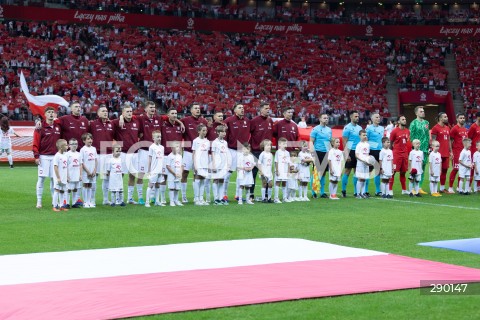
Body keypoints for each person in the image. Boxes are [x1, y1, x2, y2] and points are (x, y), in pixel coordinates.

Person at [112, 104, 142, 204]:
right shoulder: (117, 122)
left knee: (133, 175)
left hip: (134, 153)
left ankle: (130, 198)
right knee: (120, 175)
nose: (129, 113)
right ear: (123, 113)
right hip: (123, 153)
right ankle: (118, 198)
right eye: (127, 111)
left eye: (130, 111)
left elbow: (140, 134)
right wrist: (120, 118)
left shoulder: (136, 122)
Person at [33, 107, 61, 209]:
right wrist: (36, 156)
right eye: (49, 112)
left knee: (54, 179)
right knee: (41, 179)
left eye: (52, 112)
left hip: (55, 156)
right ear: (45, 114)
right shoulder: (40, 127)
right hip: (43, 156)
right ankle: (39, 201)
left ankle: (55, 201)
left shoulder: (58, 126)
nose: (51, 114)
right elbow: (35, 142)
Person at [180, 103, 208, 203]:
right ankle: (183, 196)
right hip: (188, 151)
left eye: (198, 108)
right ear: (191, 110)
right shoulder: (186, 120)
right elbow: (174, 119)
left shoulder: (203, 121)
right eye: (195, 108)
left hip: (200, 153)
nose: (198, 110)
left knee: (198, 175)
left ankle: (197, 197)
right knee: (185, 173)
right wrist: (180, 123)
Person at [223, 104, 251, 201]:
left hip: (242, 151)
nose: (242, 109)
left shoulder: (247, 121)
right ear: (235, 110)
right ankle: (224, 195)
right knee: (228, 173)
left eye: (243, 108)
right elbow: (224, 135)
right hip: (231, 150)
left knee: (241, 173)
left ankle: (238, 195)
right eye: (240, 108)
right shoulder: (229, 120)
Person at [89, 104, 114, 205]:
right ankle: (92, 199)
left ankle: (105, 199)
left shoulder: (112, 124)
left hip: (108, 154)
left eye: (106, 111)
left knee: (106, 178)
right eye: (103, 111)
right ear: (98, 113)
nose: (105, 113)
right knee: (93, 177)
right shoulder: (92, 124)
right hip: (97, 154)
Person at [249, 103, 273, 200]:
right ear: (261, 110)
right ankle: (251, 194)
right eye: (266, 108)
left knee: (267, 172)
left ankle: (266, 195)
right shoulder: (254, 121)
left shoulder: (270, 120)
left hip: (267, 153)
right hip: (256, 151)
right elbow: (248, 134)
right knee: (253, 173)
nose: (268, 110)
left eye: (269, 108)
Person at [161, 107, 184, 204]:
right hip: (165, 155)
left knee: (177, 177)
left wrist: (181, 123)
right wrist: (180, 122)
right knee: (164, 177)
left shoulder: (179, 127)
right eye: (172, 113)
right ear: (168, 115)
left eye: (176, 113)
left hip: (177, 155)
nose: (175, 115)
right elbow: (161, 117)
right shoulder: (163, 125)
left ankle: (176, 199)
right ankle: (162, 198)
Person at [309, 113, 332, 198]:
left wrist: (330, 152)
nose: (326, 119)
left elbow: (329, 142)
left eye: (327, 118)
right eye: (324, 118)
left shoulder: (329, 130)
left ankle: (322, 192)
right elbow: (311, 141)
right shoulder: (315, 129)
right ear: (320, 119)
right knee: (316, 172)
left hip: (326, 152)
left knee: (323, 173)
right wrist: (312, 152)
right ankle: (313, 192)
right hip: (317, 152)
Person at [409, 106, 429, 194]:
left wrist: (428, 146)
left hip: (424, 149)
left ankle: (419, 187)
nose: (423, 113)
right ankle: (412, 187)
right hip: (416, 149)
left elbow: (427, 135)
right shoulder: (413, 123)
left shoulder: (426, 122)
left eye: (423, 111)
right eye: (421, 111)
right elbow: (411, 136)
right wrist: (413, 147)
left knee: (422, 168)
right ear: (416, 113)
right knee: (414, 168)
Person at [430, 112, 452, 193]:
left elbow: (449, 140)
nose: (447, 118)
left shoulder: (447, 128)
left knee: (445, 170)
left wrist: (451, 151)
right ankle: (433, 189)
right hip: (438, 154)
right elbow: (433, 141)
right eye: (445, 117)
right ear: (440, 118)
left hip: (446, 153)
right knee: (436, 170)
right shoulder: (435, 128)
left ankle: (442, 188)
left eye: (447, 116)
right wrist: (434, 152)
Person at [341, 111, 361, 197]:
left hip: (358, 151)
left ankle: (356, 191)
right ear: (351, 117)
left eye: (358, 116)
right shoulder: (347, 128)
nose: (357, 118)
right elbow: (344, 141)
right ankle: (343, 190)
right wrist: (346, 153)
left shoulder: (360, 128)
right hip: (350, 150)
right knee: (347, 171)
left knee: (357, 171)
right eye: (355, 116)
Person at [389, 115, 410, 195]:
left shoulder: (407, 131)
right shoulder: (394, 131)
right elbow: (391, 143)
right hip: (396, 154)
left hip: (404, 154)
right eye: (402, 119)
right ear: (398, 121)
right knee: (393, 172)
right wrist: (390, 154)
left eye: (405, 119)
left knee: (403, 172)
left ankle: (404, 190)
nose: (404, 120)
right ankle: (390, 190)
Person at [448, 113, 468, 193]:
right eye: (460, 118)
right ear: (457, 119)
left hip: (464, 153)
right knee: (455, 169)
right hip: (456, 152)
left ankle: (459, 187)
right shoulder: (454, 129)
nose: (462, 119)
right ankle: (450, 187)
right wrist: (451, 152)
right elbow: (450, 140)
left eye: (463, 118)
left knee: (462, 170)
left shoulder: (465, 129)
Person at [366, 112, 384, 196]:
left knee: (378, 171)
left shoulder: (382, 128)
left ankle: (378, 190)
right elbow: (366, 140)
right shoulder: (369, 128)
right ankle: (366, 190)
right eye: (376, 117)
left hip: (380, 151)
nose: (378, 118)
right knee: (369, 170)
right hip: (371, 151)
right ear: (372, 119)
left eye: (379, 117)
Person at [211, 125, 229, 205]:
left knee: (222, 180)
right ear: (218, 133)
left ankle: (221, 198)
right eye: (222, 132)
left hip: (223, 164)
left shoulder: (225, 142)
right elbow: (213, 153)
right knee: (216, 180)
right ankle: (216, 198)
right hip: (217, 163)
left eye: (225, 131)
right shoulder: (215, 142)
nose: (224, 133)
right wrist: (214, 164)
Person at [145, 130, 165, 207]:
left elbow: (162, 158)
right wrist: (149, 170)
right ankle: (147, 202)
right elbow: (150, 158)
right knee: (150, 185)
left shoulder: (162, 147)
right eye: (157, 137)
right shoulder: (152, 147)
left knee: (158, 185)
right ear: (153, 138)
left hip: (160, 169)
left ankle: (157, 201)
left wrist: (163, 169)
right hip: (154, 169)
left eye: (160, 137)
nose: (159, 138)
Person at [192, 124, 210, 205]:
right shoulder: (196, 141)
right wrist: (195, 164)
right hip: (198, 163)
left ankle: (201, 198)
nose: (205, 132)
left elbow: (207, 153)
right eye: (203, 130)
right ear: (199, 131)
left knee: (203, 180)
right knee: (197, 180)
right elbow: (194, 153)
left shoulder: (207, 141)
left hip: (205, 163)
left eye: (206, 130)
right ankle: (196, 198)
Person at [80, 132, 98, 208]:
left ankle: (89, 201)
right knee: (85, 185)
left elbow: (96, 160)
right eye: (88, 139)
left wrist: (94, 170)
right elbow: (82, 162)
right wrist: (87, 171)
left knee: (90, 185)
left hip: (92, 171)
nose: (90, 140)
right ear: (84, 141)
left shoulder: (94, 149)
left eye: (91, 138)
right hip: (86, 171)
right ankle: (85, 202)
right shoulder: (83, 149)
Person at [52, 139, 69, 212]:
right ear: (61, 147)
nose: (67, 146)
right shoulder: (57, 156)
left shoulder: (65, 155)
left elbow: (66, 167)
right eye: (66, 145)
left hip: (64, 177)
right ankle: (54, 205)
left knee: (63, 191)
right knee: (57, 190)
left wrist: (67, 176)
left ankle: (62, 205)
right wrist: (58, 177)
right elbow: (55, 167)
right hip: (59, 177)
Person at [166, 141, 184, 207]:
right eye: (176, 147)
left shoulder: (180, 156)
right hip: (172, 175)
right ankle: (171, 201)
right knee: (171, 187)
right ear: (172, 148)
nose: (178, 148)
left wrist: (181, 173)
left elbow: (182, 165)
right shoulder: (169, 156)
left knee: (177, 188)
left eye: (178, 147)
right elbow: (168, 166)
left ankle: (176, 200)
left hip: (178, 175)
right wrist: (174, 173)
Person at [66, 138, 82, 208]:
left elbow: (81, 165)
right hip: (70, 175)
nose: (74, 145)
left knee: (76, 189)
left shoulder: (79, 154)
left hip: (77, 175)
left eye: (76, 144)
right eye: (72, 144)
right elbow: (65, 166)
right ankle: (66, 203)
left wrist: (80, 175)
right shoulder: (67, 154)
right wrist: (67, 175)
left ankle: (74, 203)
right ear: (69, 145)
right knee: (68, 189)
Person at [274, 137, 290, 203]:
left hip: (285, 170)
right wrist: (277, 170)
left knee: (284, 183)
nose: (285, 145)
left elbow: (288, 162)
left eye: (286, 143)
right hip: (279, 170)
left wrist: (288, 171)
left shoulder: (287, 153)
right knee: (278, 183)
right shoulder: (278, 152)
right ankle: (276, 198)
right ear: (279, 144)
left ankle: (284, 197)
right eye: (283, 144)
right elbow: (276, 162)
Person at [355, 130, 370, 199]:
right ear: (360, 136)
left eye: (366, 135)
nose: (365, 136)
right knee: (360, 178)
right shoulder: (359, 145)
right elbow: (356, 155)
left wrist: (368, 161)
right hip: (360, 164)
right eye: (363, 135)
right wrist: (363, 160)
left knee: (364, 178)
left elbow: (367, 154)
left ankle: (363, 193)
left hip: (366, 164)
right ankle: (358, 193)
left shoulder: (367, 145)